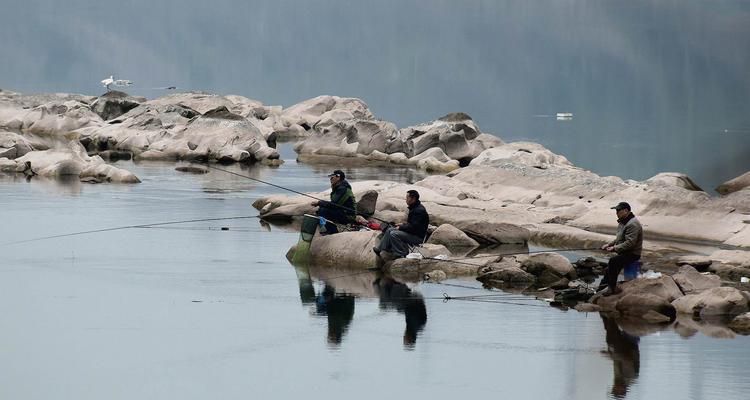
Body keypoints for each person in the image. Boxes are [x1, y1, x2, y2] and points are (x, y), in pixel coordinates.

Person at [599, 202, 643, 295]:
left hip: (632, 254)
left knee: (613, 261)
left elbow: (630, 243)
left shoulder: (633, 224)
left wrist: (614, 248)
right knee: (608, 270)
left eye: (618, 210)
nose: (616, 212)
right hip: (624, 252)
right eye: (616, 210)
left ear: (626, 211)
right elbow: (619, 238)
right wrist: (609, 244)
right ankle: (599, 290)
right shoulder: (624, 221)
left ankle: (611, 289)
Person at [373, 190, 429, 258]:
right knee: (390, 229)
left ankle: (401, 253)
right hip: (413, 233)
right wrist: (402, 224)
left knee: (393, 234)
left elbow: (413, 227)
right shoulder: (415, 208)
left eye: (407, 198)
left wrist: (401, 228)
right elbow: (412, 224)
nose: (406, 200)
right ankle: (380, 249)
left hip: (417, 237)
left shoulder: (419, 211)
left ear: (413, 199)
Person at [310, 169, 357, 234]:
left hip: (348, 216)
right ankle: (329, 229)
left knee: (323, 210)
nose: (330, 179)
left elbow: (333, 205)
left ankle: (332, 231)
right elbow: (334, 204)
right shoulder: (339, 188)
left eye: (332, 177)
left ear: (338, 177)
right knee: (321, 210)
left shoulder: (342, 189)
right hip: (343, 212)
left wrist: (319, 203)